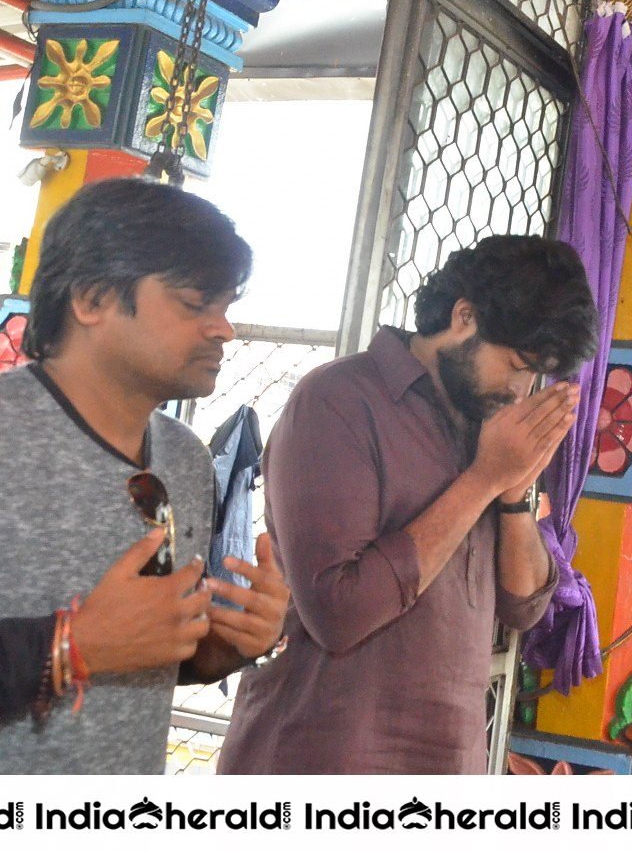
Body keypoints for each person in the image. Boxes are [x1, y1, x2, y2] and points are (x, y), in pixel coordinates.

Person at [219, 235, 597, 773]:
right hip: (326, 760)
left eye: (536, 374)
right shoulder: (337, 401)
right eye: (515, 364)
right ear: (463, 317)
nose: (521, 390)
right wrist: (483, 479)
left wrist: (511, 492)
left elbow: (524, 608)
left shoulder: (485, 424)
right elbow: (339, 614)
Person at [0, 177, 288, 774]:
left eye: (227, 307)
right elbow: (100, 643)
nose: (223, 329)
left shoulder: (183, 458)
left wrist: (228, 642)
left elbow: (148, 651)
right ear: (93, 299)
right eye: (194, 304)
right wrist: (67, 646)